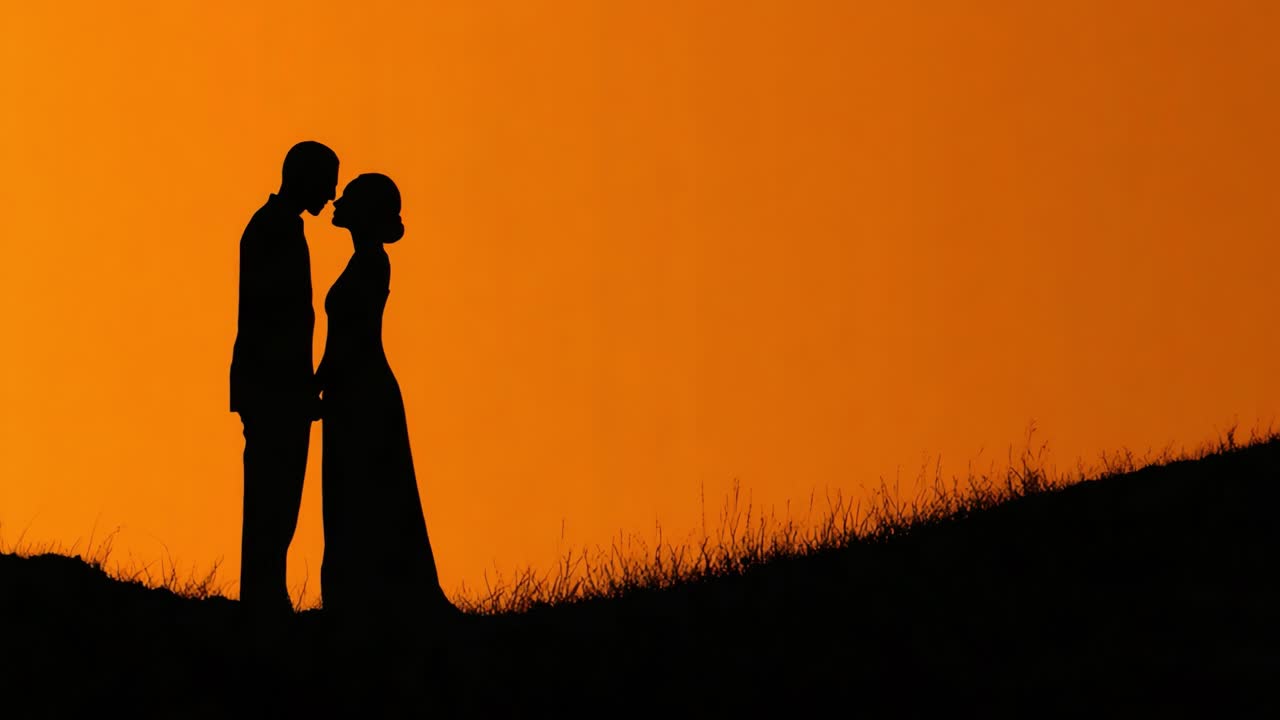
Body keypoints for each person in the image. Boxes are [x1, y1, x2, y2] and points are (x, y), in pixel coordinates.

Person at [316, 172, 455, 626]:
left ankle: (369, 599)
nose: (337, 200)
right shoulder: (364, 261)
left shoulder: (372, 263)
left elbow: (352, 335)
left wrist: (320, 381)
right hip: (354, 386)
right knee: (357, 490)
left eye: (349, 197)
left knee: (363, 490)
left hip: (362, 389)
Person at [230, 140, 338, 619]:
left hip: (279, 388)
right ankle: (262, 598)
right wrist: (295, 389)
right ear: (303, 177)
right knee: (271, 496)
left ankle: (266, 593)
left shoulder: (279, 227)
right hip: (274, 389)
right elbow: (272, 321)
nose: (332, 192)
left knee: (279, 496)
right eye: (327, 180)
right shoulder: (271, 229)